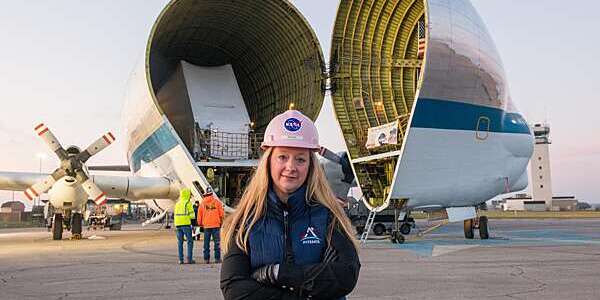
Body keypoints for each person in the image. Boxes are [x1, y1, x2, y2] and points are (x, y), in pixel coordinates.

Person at [220, 110, 361, 300]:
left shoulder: (329, 216)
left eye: (300, 159)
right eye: (282, 157)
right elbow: (235, 288)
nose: (291, 167)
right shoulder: (246, 221)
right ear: (268, 161)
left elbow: (346, 274)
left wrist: (278, 274)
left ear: (311, 166)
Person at [198, 187, 224, 264]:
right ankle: (217, 258)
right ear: (212, 194)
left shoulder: (202, 203)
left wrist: (200, 223)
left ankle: (206, 259)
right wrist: (221, 222)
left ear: (205, 194)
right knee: (217, 243)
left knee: (206, 243)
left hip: (206, 226)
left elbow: (199, 216)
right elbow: (222, 214)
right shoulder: (217, 202)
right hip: (216, 225)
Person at [174, 188, 196, 264]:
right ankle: (189, 259)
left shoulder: (177, 204)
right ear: (187, 195)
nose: (190, 196)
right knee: (190, 241)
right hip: (186, 224)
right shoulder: (188, 203)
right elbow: (192, 216)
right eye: (190, 194)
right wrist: (193, 225)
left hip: (178, 225)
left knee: (180, 242)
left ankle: (181, 260)